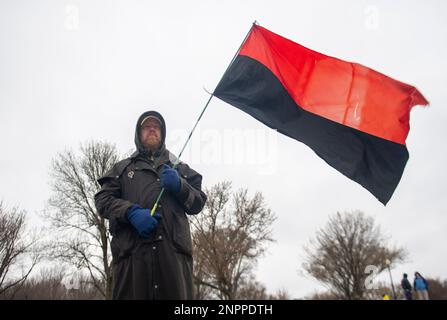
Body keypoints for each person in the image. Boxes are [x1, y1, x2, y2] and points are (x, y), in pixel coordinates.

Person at [94, 110, 207, 299]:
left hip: (174, 266)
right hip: (132, 267)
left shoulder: (180, 169)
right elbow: (102, 200)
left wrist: (181, 186)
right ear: (138, 134)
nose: (152, 130)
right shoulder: (121, 170)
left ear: (162, 133)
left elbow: (198, 203)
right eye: (147, 127)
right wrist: (130, 212)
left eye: (156, 127)